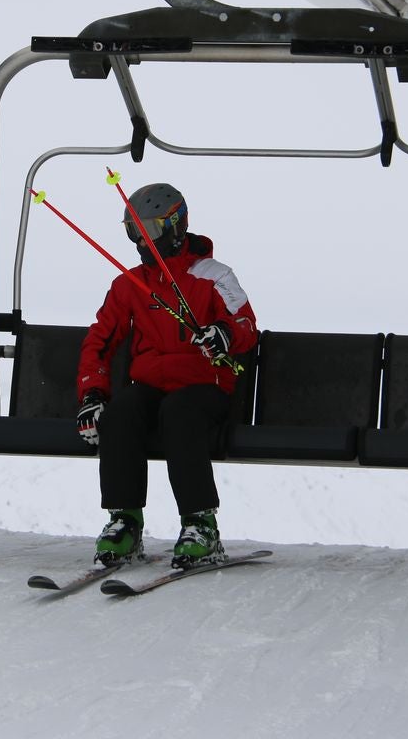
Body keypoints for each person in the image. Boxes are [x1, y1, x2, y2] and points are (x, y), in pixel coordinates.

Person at [75, 182, 257, 570]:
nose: (142, 242)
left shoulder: (213, 276)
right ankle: (124, 520)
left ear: (176, 226)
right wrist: (93, 393)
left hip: (204, 386)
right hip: (153, 386)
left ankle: (200, 523)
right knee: (122, 411)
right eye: (134, 231)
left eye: (151, 230)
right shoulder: (130, 285)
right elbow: (101, 341)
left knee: (180, 412)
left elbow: (244, 322)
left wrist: (224, 334)